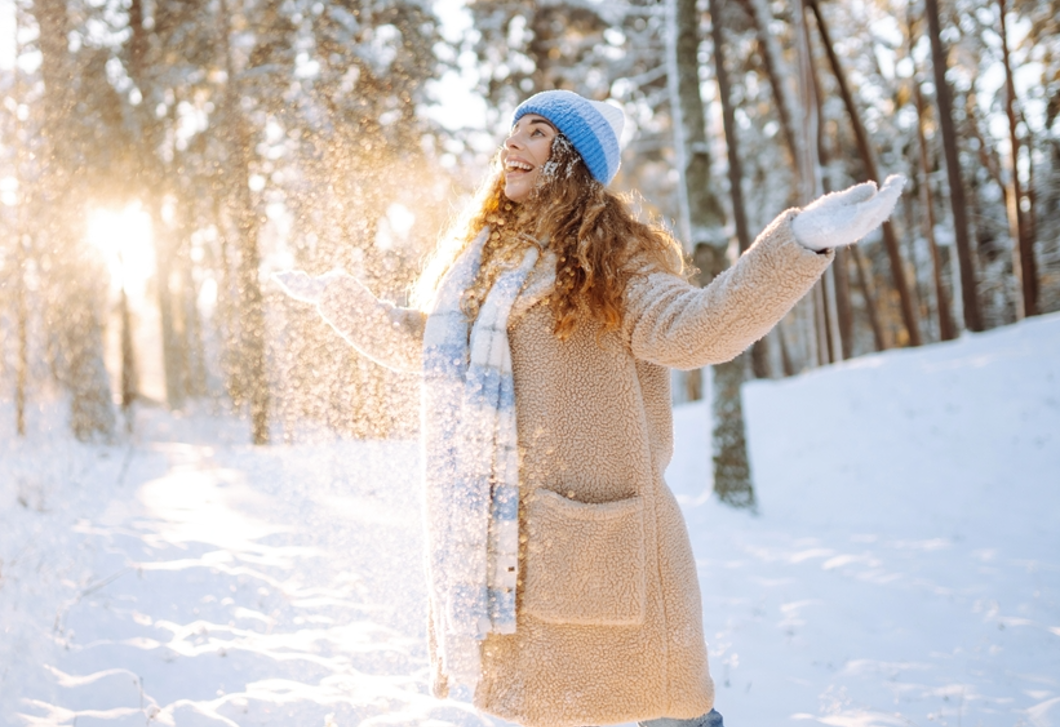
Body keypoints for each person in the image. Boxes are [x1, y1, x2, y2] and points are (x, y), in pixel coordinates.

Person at [275, 89, 904, 727]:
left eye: (538, 131)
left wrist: (798, 242)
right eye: (514, 129)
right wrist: (342, 304)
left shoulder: (614, 264)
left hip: (606, 553)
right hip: (513, 561)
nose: (512, 143)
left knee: (664, 713)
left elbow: (697, 329)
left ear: (571, 158)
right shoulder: (488, 267)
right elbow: (438, 350)